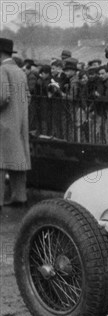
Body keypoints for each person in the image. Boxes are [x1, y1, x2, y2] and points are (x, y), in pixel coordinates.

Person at [0, 38, 30, 208]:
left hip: (3, 123)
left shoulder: (2, 70)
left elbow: (2, 97)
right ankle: (20, 197)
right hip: (19, 124)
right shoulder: (20, 71)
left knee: (1, 162)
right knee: (17, 161)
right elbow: (28, 97)